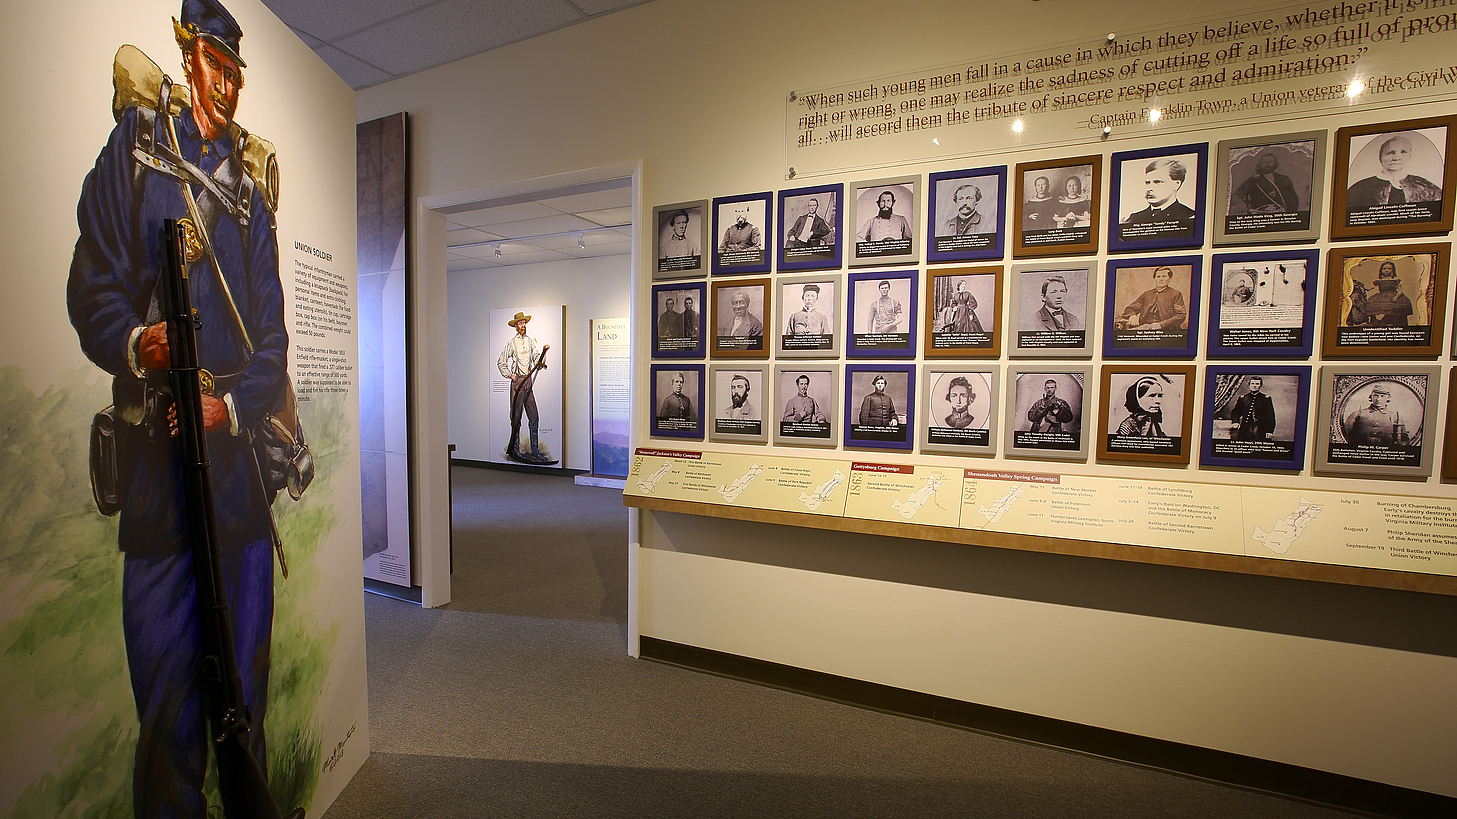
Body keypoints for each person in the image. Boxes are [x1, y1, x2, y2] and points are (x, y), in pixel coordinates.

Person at [65, 2, 294, 815]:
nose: (226, 84)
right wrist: (138, 342)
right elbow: (89, 289)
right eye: (214, 65)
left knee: (247, 699)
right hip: (161, 494)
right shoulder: (132, 156)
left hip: (235, 486)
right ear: (187, 57)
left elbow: (274, 341)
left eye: (236, 72)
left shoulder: (248, 194)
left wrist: (227, 407)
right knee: (166, 719)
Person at [498, 312, 556, 464]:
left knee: (534, 417)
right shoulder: (511, 343)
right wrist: (510, 375)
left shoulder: (530, 341)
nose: (523, 325)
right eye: (520, 323)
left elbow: (538, 360)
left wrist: (544, 353)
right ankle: (514, 450)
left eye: (524, 323)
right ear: (516, 326)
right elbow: (501, 361)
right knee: (516, 418)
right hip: (518, 383)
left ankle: (535, 451)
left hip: (528, 383)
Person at [1346, 135, 1442, 210]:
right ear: (1381, 156)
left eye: (1403, 152)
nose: (1396, 158)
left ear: (1410, 155)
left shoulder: (1427, 188)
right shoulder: (1359, 189)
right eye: (1391, 152)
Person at [1122, 158, 1196, 233]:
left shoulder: (1189, 217)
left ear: (1176, 184)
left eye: (1157, 182)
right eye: (1147, 182)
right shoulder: (1134, 218)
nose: (1149, 188)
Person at [1118, 266, 1187, 331]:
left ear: (1169, 278)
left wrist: (1161, 325)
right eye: (1158, 276)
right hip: (1145, 328)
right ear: (1154, 278)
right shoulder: (1147, 294)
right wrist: (1132, 315)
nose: (1161, 279)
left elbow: (1180, 315)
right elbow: (1131, 308)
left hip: (1167, 330)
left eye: (1164, 276)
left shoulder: (1176, 294)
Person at [1233, 151, 1300, 215]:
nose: (1267, 165)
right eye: (1264, 162)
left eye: (1270, 162)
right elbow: (1235, 196)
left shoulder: (1284, 179)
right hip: (1261, 217)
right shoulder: (1253, 180)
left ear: (1275, 163)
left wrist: (1290, 214)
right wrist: (1239, 201)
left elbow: (1294, 199)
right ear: (1260, 164)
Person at [1361, 260, 1414, 326]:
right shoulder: (1379, 279)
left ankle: (1380, 321)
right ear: (1381, 270)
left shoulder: (1395, 279)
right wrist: (1363, 287)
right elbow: (1370, 287)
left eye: (1389, 268)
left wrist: (1397, 296)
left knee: (1389, 306)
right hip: (1381, 296)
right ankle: (1378, 321)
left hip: (1393, 296)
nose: (1386, 270)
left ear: (1393, 270)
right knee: (1377, 306)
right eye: (1384, 268)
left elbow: (1400, 290)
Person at [1229, 377, 1276, 441]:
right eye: (1252, 383)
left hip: (1261, 429)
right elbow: (1236, 412)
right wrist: (1235, 422)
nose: (1254, 386)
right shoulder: (1243, 398)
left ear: (1260, 385)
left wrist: (1270, 431)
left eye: (1257, 384)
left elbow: (1270, 416)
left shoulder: (1266, 399)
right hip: (1245, 429)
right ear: (1249, 385)